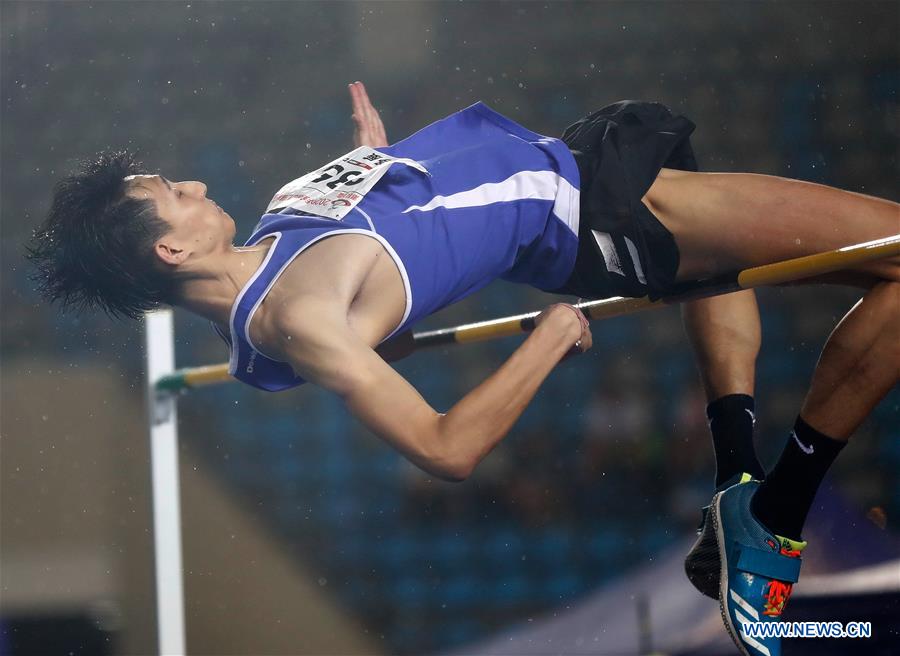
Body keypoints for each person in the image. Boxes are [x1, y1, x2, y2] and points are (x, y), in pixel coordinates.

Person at [27, 82, 899, 656]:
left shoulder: (273, 238)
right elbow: (446, 449)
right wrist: (548, 339)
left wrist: (371, 152)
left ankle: (741, 484)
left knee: (776, 267)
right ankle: (772, 511)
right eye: (170, 196)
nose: (188, 183)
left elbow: (379, 254)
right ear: (174, 248)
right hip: (587, 212)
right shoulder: (298, 322)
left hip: (573, 162)